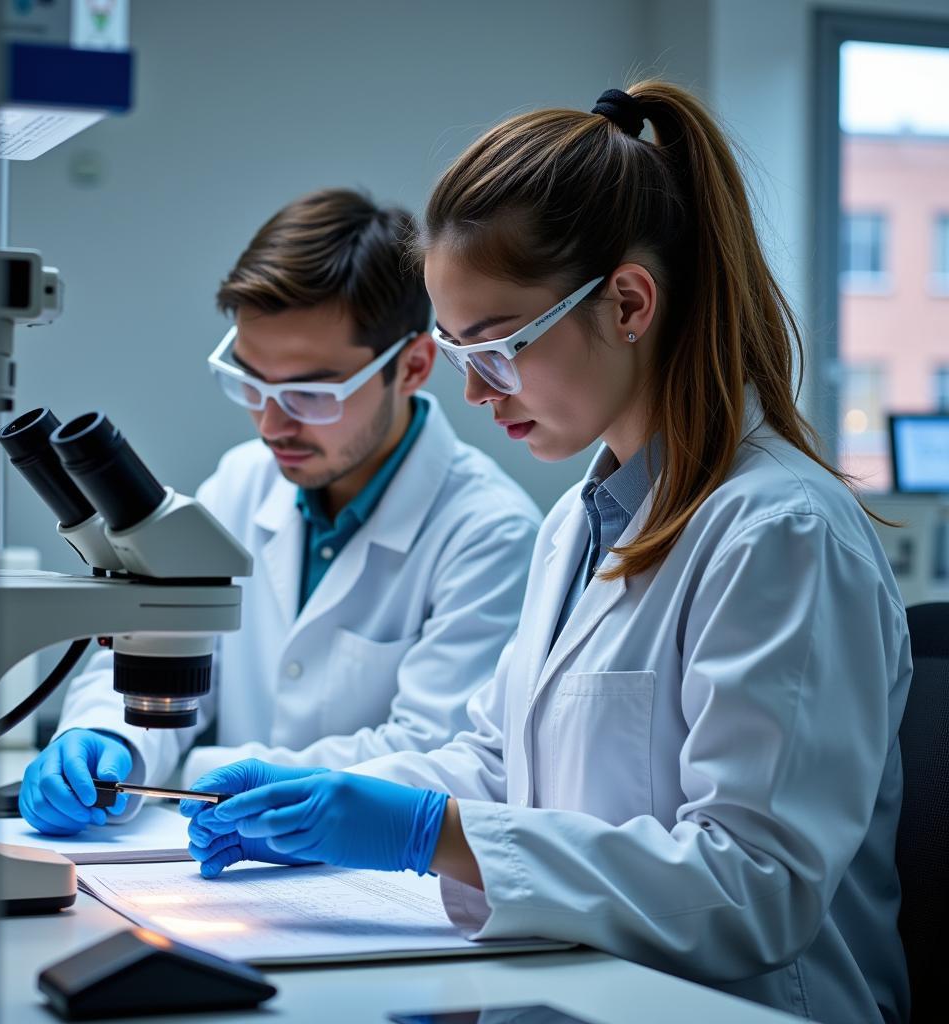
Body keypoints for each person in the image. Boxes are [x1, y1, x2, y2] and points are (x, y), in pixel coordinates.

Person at [181, 87, 913, 1023]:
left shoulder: (780, 530)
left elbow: (756, 886)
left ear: (628, 302)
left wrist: (423, 833)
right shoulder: (583, 515)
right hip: (584, 987)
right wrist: (334, 800)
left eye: (499, 348)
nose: (478, 396)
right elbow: (500, 760)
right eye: (456, 354)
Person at [19, 188, 541, 835]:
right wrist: (108, 739)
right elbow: (162, 654)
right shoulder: (242, 482)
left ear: (412, 366)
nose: (271, 424)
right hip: (219, 861)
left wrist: (190, 777)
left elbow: (431, 757)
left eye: (310, 394)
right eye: (250, 383)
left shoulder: (489, 532)